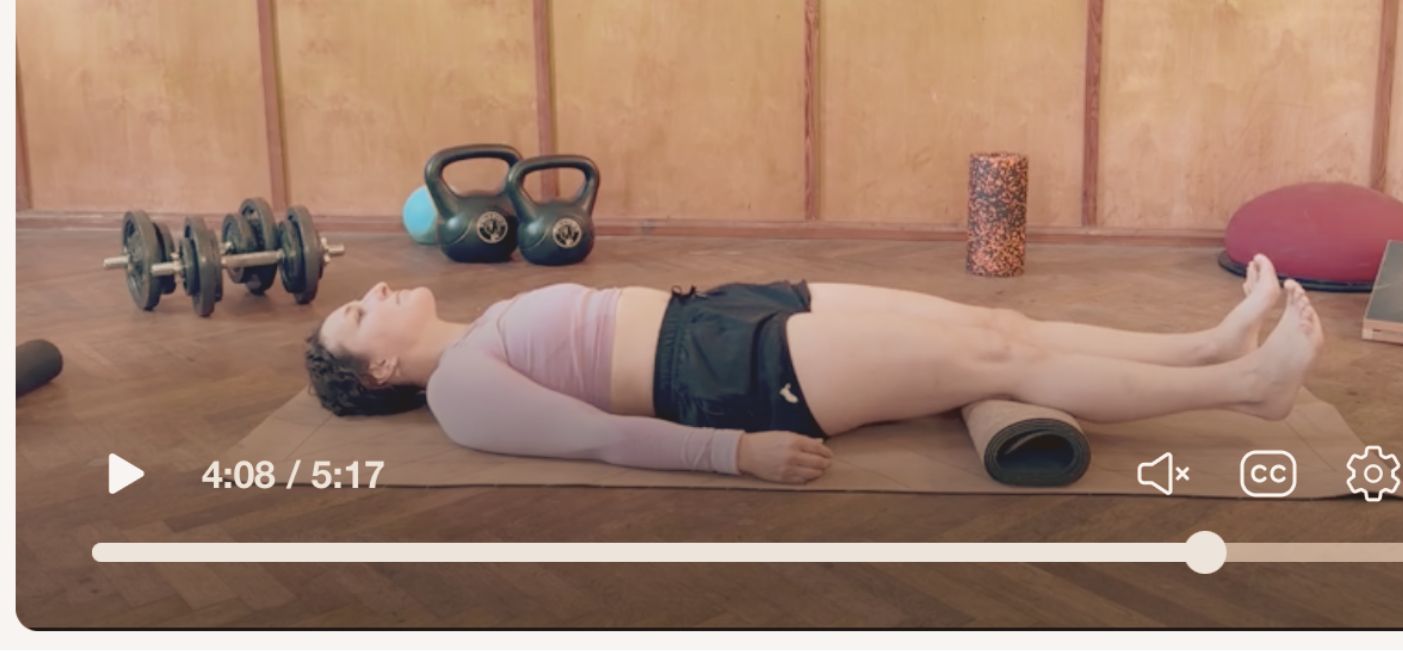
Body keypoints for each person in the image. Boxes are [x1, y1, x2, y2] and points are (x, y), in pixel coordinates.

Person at [304, 253, 1323, 485]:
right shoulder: (457, 390)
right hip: (725, 374)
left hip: (726, 311)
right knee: (996, 359)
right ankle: (1248, 389)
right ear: (381, 368)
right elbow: (595, 436)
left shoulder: (485, 321)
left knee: (996, 321)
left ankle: (1207, 343)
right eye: (358, 315)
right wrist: (732, 453)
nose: (374, 292)